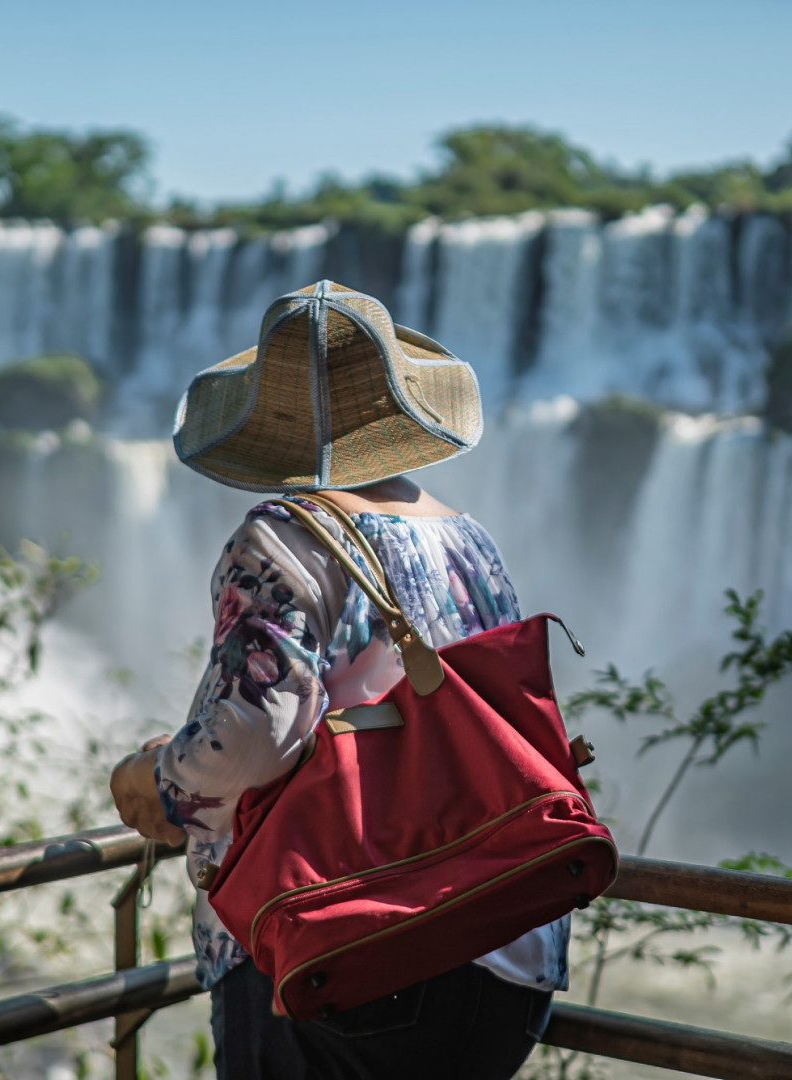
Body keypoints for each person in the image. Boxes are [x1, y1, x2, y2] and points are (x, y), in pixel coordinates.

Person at [109, 280, 564, 1079]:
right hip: (497, 943)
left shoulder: (284, 539)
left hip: (351, 949)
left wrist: (155, 777)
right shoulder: (466, 538)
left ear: (267, 422)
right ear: (397, 408)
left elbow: (249, 739)